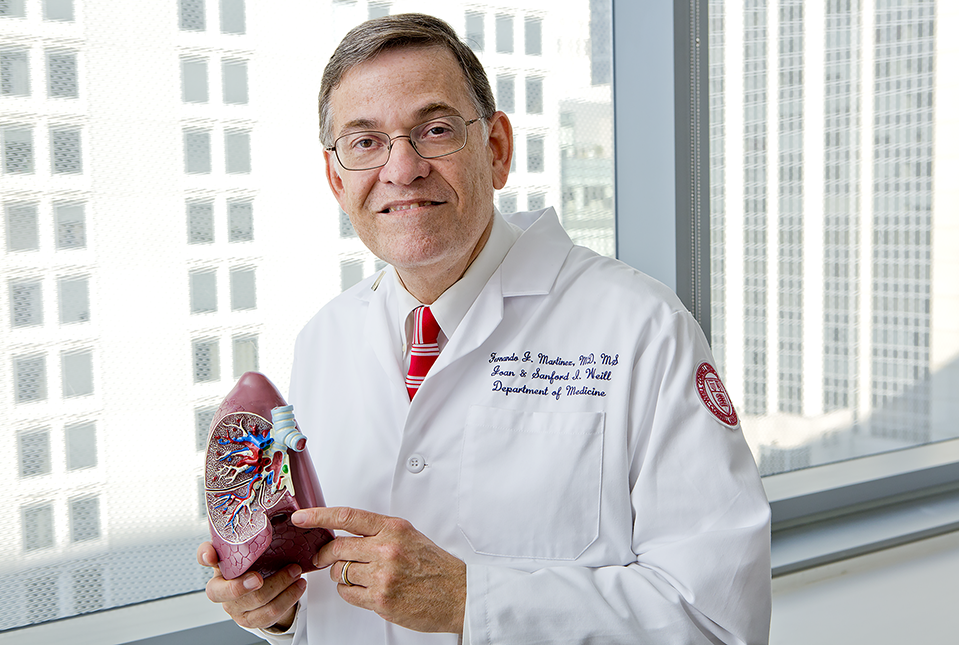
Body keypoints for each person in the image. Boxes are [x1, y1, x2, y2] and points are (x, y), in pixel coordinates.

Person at [198, 12, 771, 644]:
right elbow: (332, 583)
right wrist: (281, 610)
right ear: (337, 178)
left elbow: (719, 622)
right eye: (364, 143)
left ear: (496, 150)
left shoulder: (643, 330)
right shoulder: (322, 341)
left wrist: (472, 602)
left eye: (435, 130)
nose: (402, 168)